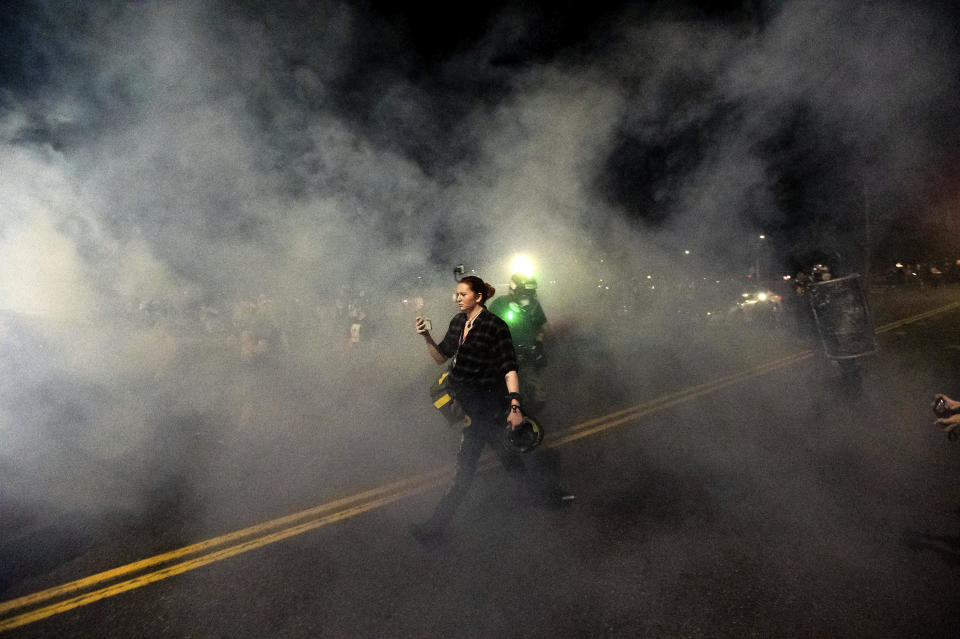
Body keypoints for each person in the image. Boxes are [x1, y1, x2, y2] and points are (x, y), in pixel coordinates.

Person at [411, 275, 543, 545]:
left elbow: (509, 368)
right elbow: (441, 358)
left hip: (487, 407)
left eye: (463, 294)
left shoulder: (495, 326)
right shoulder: (458, 322)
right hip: (470, 404)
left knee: (464, 470)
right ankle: (532, 498)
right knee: (507, 454)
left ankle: (435, 528)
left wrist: (515, 405)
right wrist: (426, 337)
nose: (458, 298)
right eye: (457, 294)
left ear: (478, 296)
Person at [488, 273, 548, 414]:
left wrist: (538, 344)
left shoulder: (534, 306)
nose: (528, 296)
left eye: (531, 292)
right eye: (525, 292)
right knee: (500, 397)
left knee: (538, 398)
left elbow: (540, 327)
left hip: (526, 358)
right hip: (503, 360)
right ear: (514, 290)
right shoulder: (499, 304)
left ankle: (524, 417)